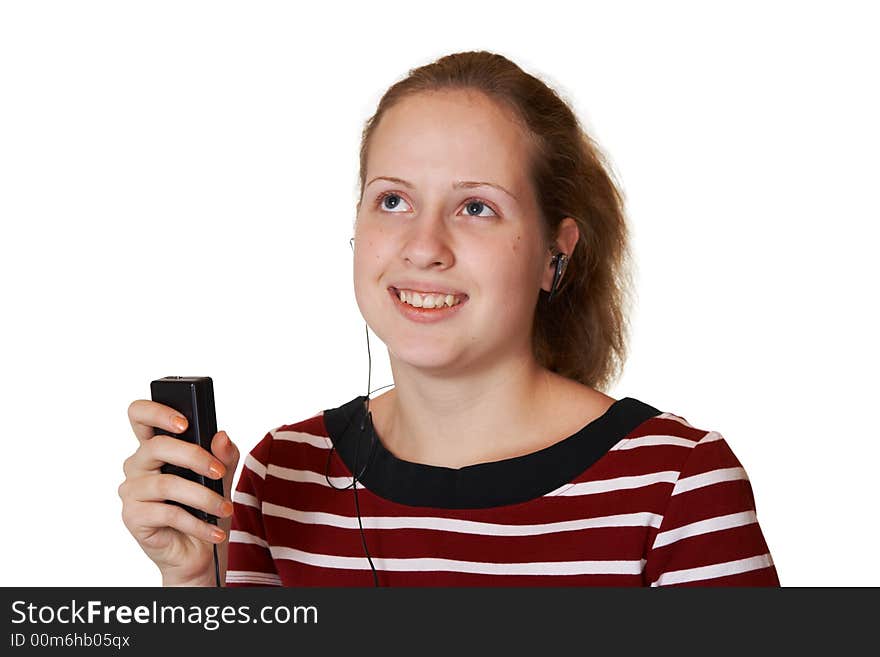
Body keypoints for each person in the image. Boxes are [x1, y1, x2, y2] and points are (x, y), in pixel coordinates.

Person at [120, 50, 779, 587]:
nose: (424, 247)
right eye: (394, 199)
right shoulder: (281, 475)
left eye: (476, 208)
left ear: (557, 251)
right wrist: (193, 584)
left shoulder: (678, 487)